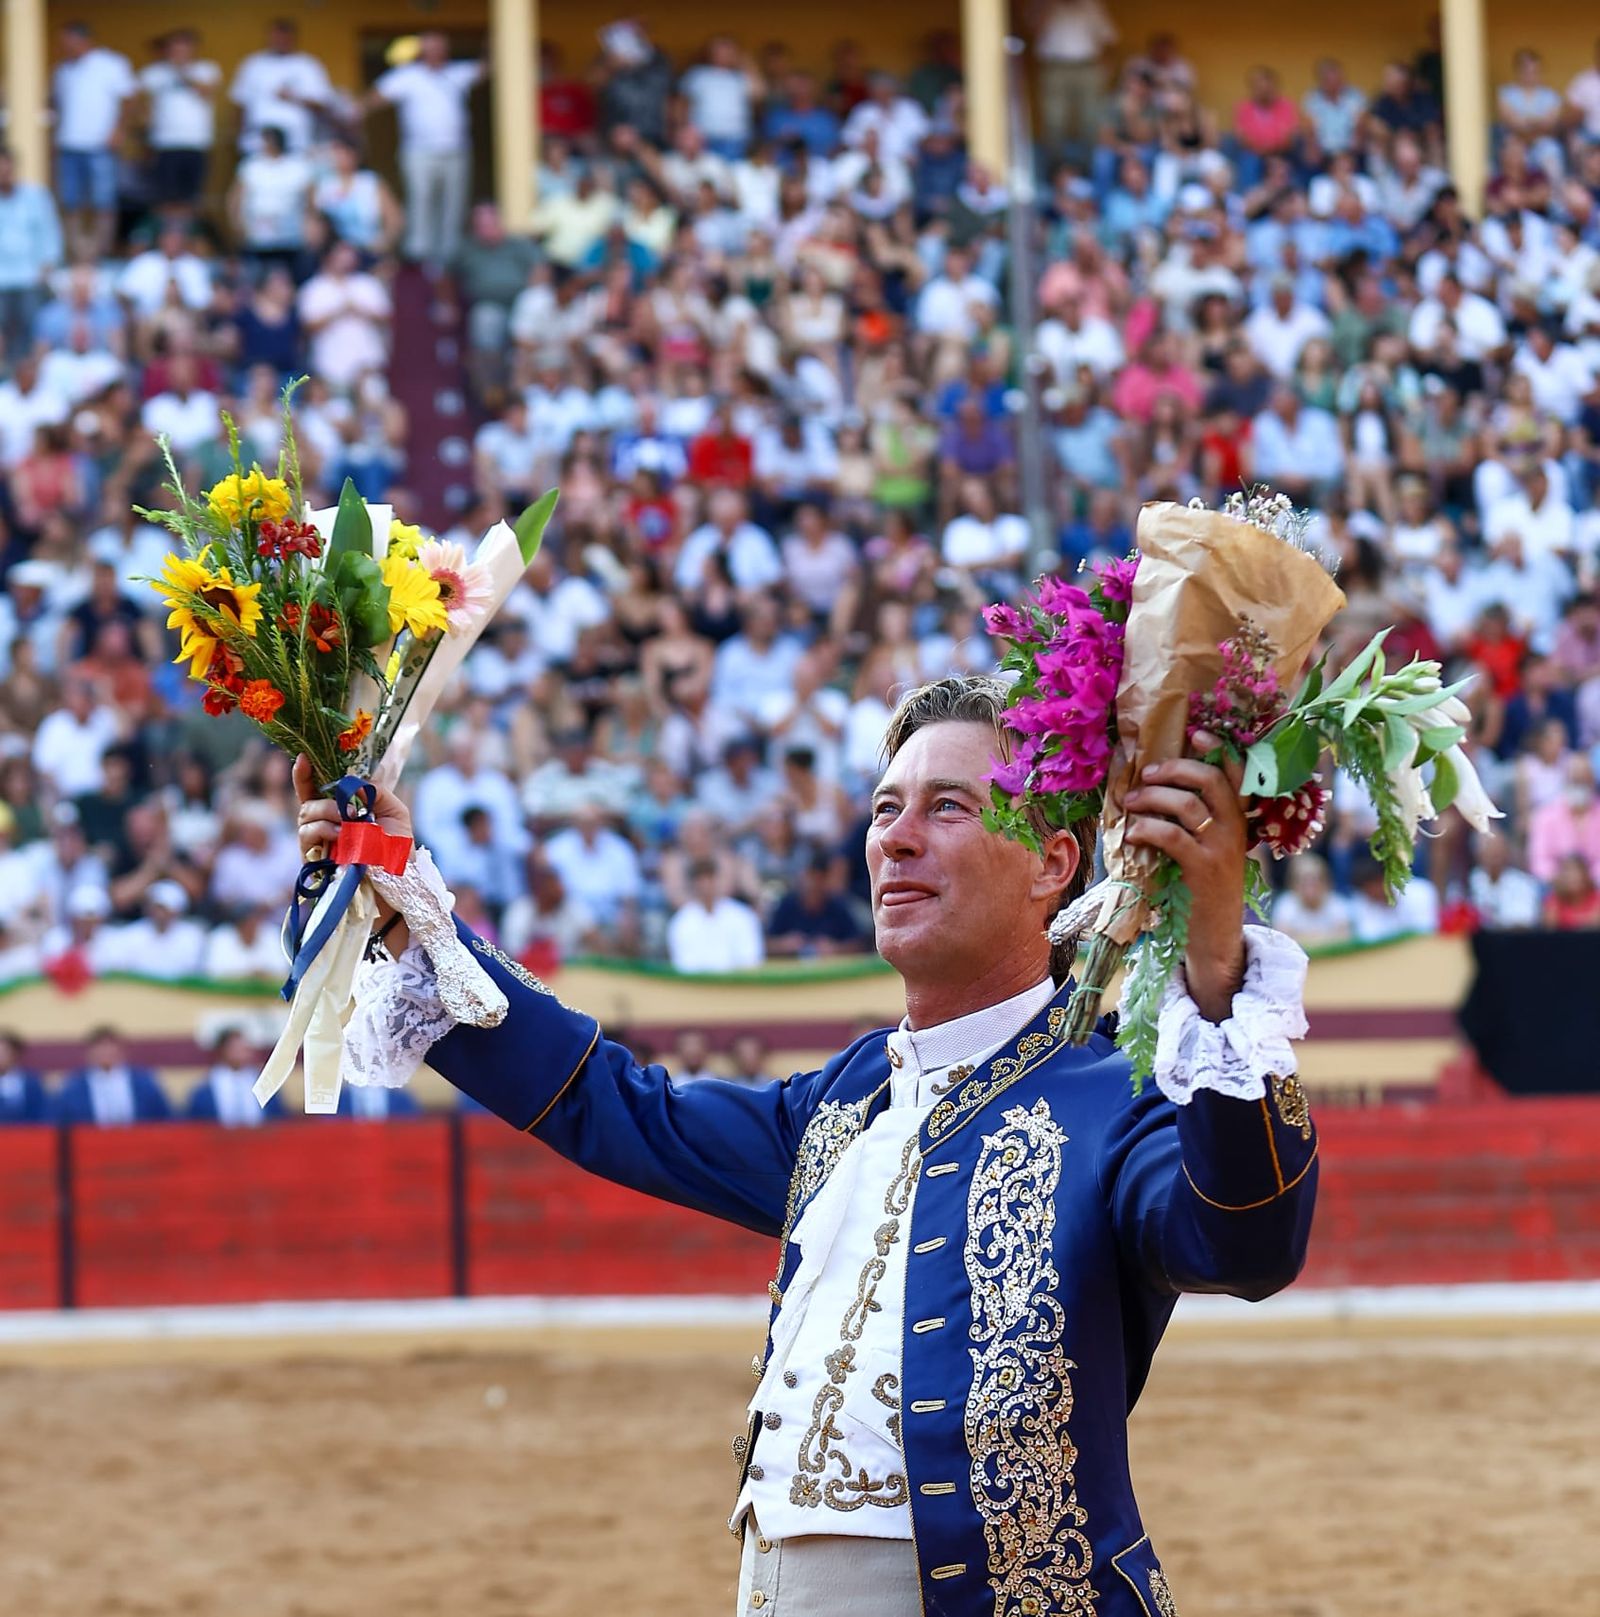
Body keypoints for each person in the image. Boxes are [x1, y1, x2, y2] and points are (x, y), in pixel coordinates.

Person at [303, 672, 1318, 1615]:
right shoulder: (848, 1098)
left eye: (947, 807)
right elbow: (616, 1108)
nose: (896, 840)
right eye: (885, 809)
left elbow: (1245, 1245)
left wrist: (1217, 954)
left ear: (1054, 864)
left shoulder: (1117, 1098)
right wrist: (401, 902)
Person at [367, 31, 485, 270]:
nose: (435, 53)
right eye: (430, 48)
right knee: (421, 200)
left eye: (440, 48)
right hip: (418, 151)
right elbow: (376, 96)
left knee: (453, 203)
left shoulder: (456, 72)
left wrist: (497, 41)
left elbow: (485, 69)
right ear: (421, 52)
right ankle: (419, 256)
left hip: (456, 151)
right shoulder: (407, 75)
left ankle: (449, 257)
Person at [51, 21, 135, 262]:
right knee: (70, 201)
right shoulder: (62, 70)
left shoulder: (110, 64)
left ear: (83, 40)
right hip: (68, 144)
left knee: (104, 201)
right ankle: (77, 253)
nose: (64, 46)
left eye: (67, 41)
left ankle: (102, 252)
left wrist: (119, 131)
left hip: (101, 145)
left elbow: (129, 100)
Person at [137, 29, 221, 209]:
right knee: (164, 197)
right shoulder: (154, 73)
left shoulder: (207, 69)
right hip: (163, 143)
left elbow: (206, 91)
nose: (179, 53)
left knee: (192, 198)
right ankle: (168, 236)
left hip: (196, 142)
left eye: (183, 48)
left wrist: (182, 72)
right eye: (175, 49)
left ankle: (187, 236)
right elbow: (140, 104)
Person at [53, 1027, 170, 1125]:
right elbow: (59, 1121)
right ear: (89, 1053)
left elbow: (165, 1118)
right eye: (100, 1047)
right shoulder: (73, 1085)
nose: (106, 1052)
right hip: (90, 1147)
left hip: (139, 1146)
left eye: (110, 1047)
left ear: (121, 1050)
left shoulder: (144, 1082)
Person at [186, 1027, 281, 1125]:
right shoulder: (204, 1089)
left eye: (244, 1047)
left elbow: (279, 1117)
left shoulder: (265, 1084)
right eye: (235, 1047)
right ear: (222, 1050)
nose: (241, 1052)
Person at [0, 1031, 47, 1125]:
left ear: (15, 1053)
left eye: (3, 1052)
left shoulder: (32, 1082)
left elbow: (41, 1114)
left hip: (27, 1134)